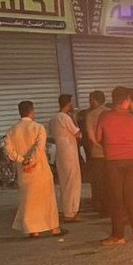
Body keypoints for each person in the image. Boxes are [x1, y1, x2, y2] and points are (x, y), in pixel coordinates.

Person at [96, 86, 133, 245]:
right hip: (130, 160)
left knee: (116, 199)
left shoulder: (105, 117)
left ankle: (118, 236)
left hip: (112, 161)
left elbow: (99, 137)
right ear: (126, 101)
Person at [4, 100, 62, 238]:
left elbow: (8, 150)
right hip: (40, 169)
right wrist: (31, 161)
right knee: (46, 199)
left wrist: (22, 160)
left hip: (23, 171)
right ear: (31, 111)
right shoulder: (38, 128)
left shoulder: (12, 130)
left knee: (28, 200)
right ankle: (53, 228)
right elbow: (39, 147)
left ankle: (33, 229)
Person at [50, 94, 83, 223]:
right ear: (69, 104)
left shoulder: (53, 118)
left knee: (64, 182)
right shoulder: (65, 117)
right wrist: (74, 118)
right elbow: (77, 134)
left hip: (60, 153)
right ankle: (71, 212)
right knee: (73, 182)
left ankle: (65, 210)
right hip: (69, 153)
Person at [80, 91, 108, 215]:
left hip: (97, 153)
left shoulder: (90, 115)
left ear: (95, 101)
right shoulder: (110, 112)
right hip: (113, 153)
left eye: (90, 100)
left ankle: (100, 206)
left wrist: (98, 146)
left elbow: (91, 137)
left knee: (98, 181)